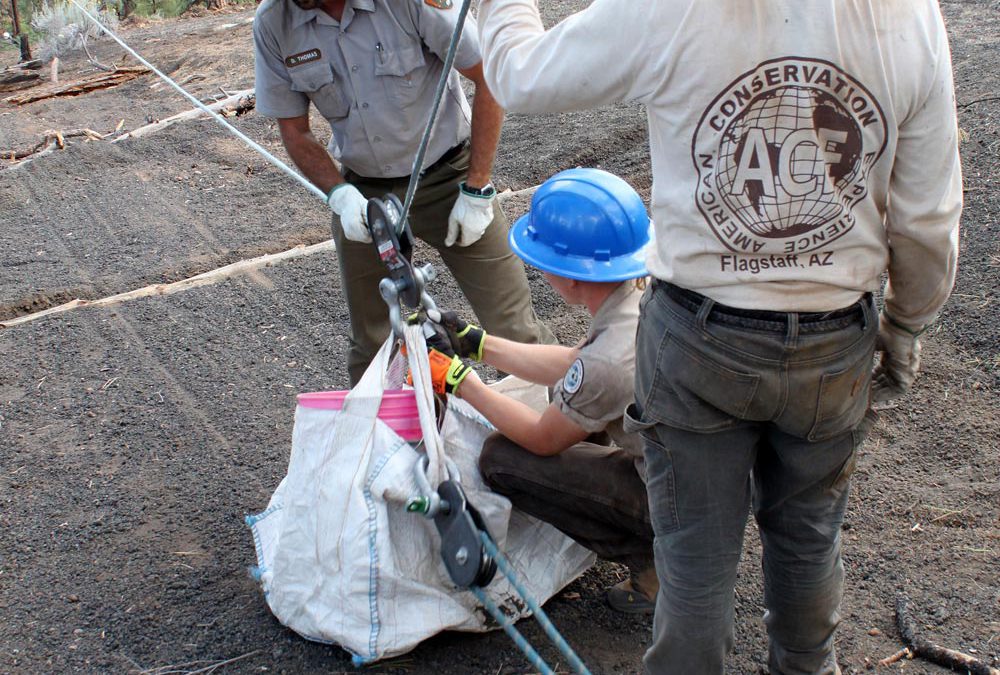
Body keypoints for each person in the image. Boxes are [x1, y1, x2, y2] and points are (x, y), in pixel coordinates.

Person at [474, 1, 963, 673]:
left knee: (695, 559)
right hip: (832, 335)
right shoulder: (903, 13)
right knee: (807, 541)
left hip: (702, 337)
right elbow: (928, 214)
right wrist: (907, 323)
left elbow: (522, 76)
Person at [252, 0, 554, 385]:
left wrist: (478, 185)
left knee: (513, 328)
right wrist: (339, 194)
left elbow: (489, 74)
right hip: (364, 195)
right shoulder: (274, 21)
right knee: (372, 343)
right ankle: (382, 440)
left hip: (451, 176)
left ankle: (569, 432)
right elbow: (295, 130)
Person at [422, 167, 659, 613]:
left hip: (675, 503)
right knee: (564, 397)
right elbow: (575, 364)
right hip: (713, 474)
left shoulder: (609, 359)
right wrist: (478, 343)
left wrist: (459, 383)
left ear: (569, 276)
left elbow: (539, 440)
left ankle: (654, 560)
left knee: (502, 459)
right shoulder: (639, 293)